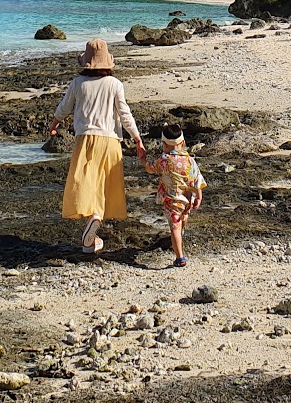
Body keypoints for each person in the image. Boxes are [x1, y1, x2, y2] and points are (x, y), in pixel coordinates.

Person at [47, 38, 144, 253]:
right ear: (107, 62)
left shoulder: (77, 83)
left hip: (85, 140)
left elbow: (64, 107)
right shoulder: (115, 84)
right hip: (110, 141)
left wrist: (54, 122)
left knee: (85, 183)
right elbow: (125, 114)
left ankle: (93, 219)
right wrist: (137, 138)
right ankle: (91, 241)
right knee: (103, 184)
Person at [141, 122, 206, 267]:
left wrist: (143, 158)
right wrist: (199, 197)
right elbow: (197, 180)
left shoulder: (164, 160)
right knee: (183, 218)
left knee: (174, 226)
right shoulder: (190, 160)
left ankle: (180, 257)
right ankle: (179, 239)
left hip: (173, 200)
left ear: (164, 144)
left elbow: (150, 168)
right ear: (182, 142)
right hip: (188, 197)